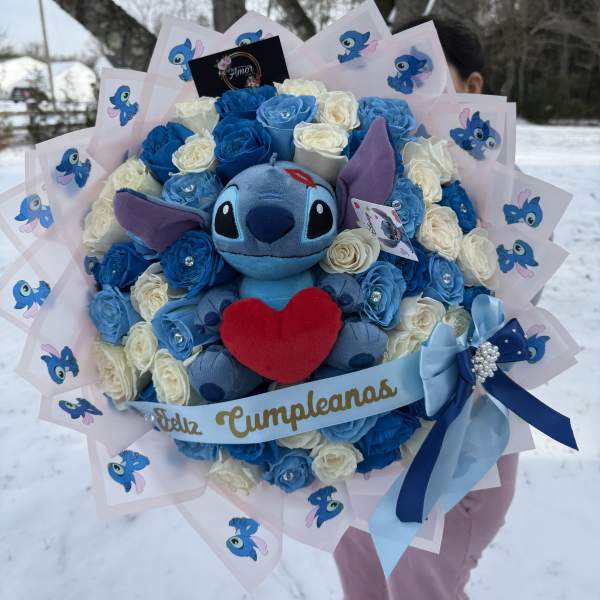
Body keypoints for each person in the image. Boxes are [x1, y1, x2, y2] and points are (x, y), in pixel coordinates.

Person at [333, 15, 519, 600]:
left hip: (452, 457)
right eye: (392, 73)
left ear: (472, 86)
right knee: (362, 585)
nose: (405, 90)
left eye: (423, 72)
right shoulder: (356, 166)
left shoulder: (501, 196)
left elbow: (511, 325)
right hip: (355, 448)